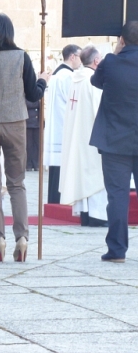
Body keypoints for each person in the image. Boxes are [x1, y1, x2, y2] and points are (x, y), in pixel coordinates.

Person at [0, 13, 49, 263]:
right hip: (16, 123)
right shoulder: (21, 57)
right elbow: (33, 93)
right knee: (17, 183)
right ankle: (22, 237)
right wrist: (42, 81)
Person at [90, 21, 138, 262]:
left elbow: (95, 82)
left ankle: (117, 250)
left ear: (122, 40)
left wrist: (117, 54)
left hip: (115, 140)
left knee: (117, 196)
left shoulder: (110, 62)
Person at [59, 45, 107, 227]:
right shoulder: (93, 80)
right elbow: (99, 110)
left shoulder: (76, 79)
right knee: (94, 174)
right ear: (96, 61)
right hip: (91, 136)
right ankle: (97, 215)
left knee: (82, 173)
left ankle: (85, 214)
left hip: (77, 136)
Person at [43, 44, 82, 203]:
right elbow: (73, 101)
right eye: (79, 56)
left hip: (54, 126)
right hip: (64, 126)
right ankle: (60, 201)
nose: (81, 60)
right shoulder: (69, 77)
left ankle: (54, 200)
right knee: (62, 167)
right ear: (72, 56)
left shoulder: (56, 75)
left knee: (56, 169)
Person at [25, 99, 40, 171]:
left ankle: (36, 164)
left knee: (37, 145)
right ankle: (28, 164)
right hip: (28, 122)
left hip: (38, 122)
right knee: (29, 145)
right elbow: (28, 104)